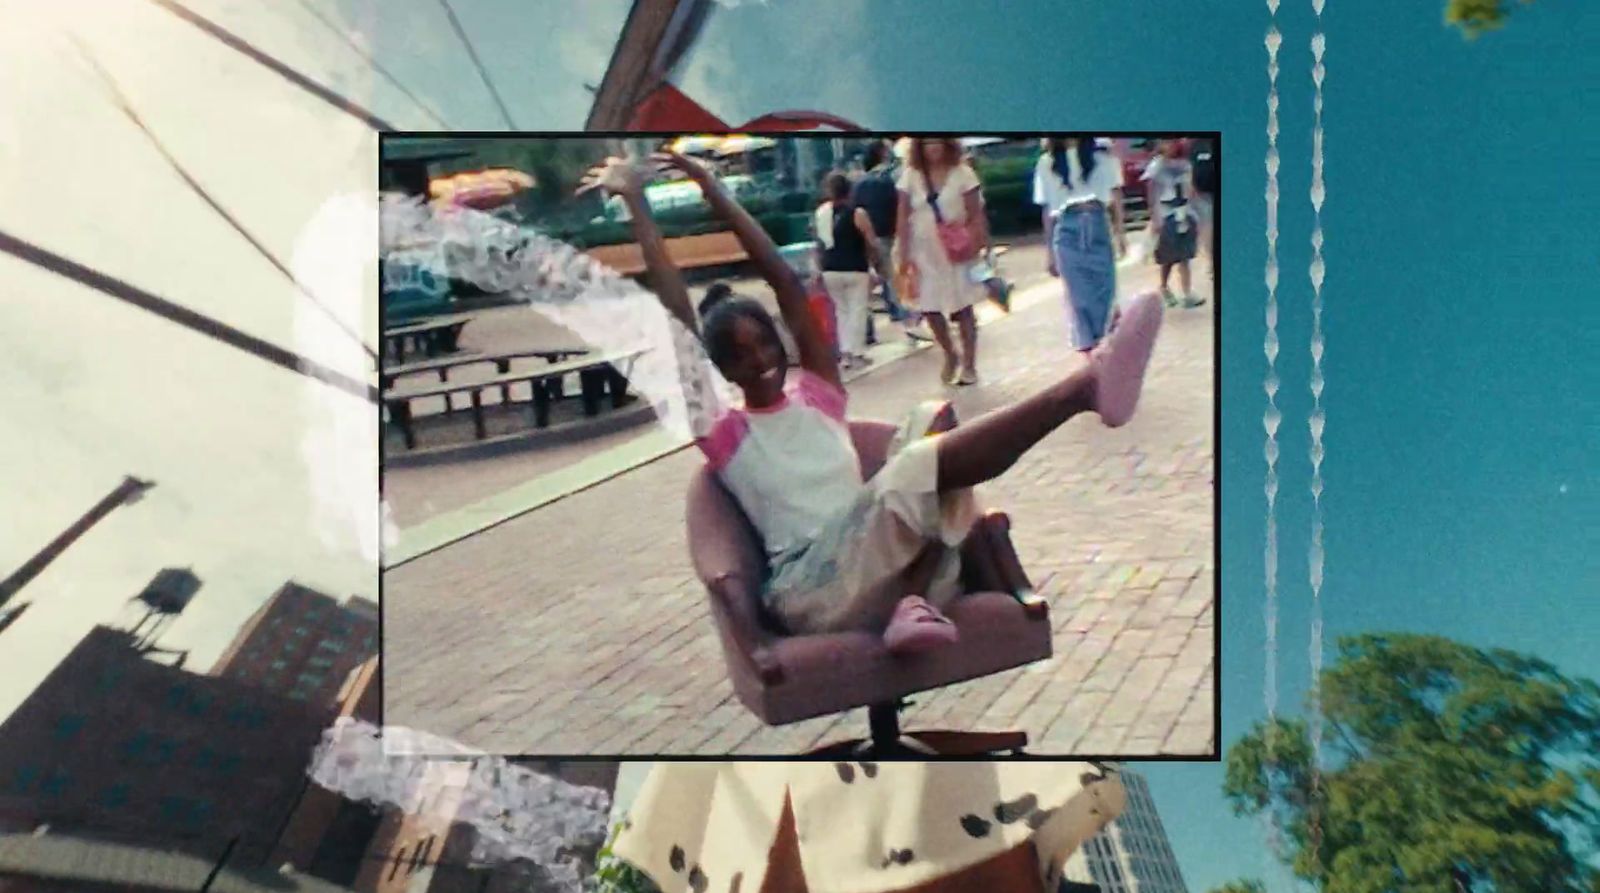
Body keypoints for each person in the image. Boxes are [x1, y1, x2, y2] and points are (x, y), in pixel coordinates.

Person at [581, 151, 1165, 654]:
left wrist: (713, 189)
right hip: (811, 590)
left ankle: (906, 609)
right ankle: (1085, 386)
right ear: (719, 372)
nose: (758, 359)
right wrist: (638, 204)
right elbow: (676, 320)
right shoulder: (725, 432)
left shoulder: (817, 394)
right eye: (737, 356)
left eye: (764, 342)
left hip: (882, 564)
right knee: (913, 467)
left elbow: (784, 281)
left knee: (927, 421)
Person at [895, 138, 990, 386]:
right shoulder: (911, 176)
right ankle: (950, 353)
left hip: (956, 251)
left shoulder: (963, 173)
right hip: (923, 253)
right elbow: (903, 217)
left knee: (964, 306)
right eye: (927, 143)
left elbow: (976, 213)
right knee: (929, 306)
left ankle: (970, 364)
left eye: (937, 142)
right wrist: (903, 255)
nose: (932, 148)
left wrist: (977, 244)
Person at [1036, 137, 1128, 354]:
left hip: (1097, 223)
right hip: (1067, 227)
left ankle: (1108, 339)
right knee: (1078, 294)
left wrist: (1120, 233)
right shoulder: (1047, 162)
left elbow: (1115, 195)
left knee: (1104, 288)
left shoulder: (1101, 156)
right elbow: (1047, 208)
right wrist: (1049, 251)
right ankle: (1089, 347)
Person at [851, 139, 930, 342]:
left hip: (873, 236)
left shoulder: (859, 183)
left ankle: (906, 317)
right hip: (896, 233)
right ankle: (915, 316)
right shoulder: (894, 176)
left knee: (892, 280)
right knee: (912, 274)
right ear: (882, 153)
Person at [811, 171, 882, 369]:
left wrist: (817, 268)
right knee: (857, 310)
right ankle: (858, 353)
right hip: (855, 267)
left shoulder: (821, 214)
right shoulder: (858, 213)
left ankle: (845, 355)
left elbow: (818, 243)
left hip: (830, 268)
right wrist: (875, 264)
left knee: (841, 312)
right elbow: (872, 241)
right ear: (850, 190)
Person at [1143, 139, 1205, 308]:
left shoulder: (1185, 165)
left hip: (1185, 212)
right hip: (1167, 213)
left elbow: (1191, 190)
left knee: (1185, 254)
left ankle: (1187, 293)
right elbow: (1151, 194)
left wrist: (1196, 214)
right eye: (1165, 142)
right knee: (1168, 256)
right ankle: (1164, 287)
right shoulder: (1156, 167)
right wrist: (1155, 218)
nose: (1170, 146)